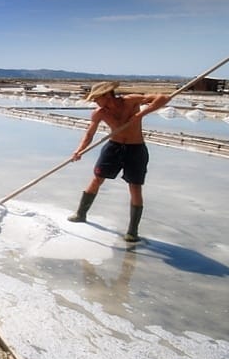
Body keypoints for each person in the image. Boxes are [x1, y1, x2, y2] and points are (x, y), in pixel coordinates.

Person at [68, 81, 170, 242]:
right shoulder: (99, 112)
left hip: (135, 149)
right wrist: (79, 150)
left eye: (96, 98)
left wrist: (139, 115)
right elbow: (89, 134)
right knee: (96, 179)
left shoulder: (130, 100)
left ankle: (132, 231)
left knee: (135, 187)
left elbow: (163, 98)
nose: (95, 102)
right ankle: (81, 213)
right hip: (113, 148)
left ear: (107, 95)